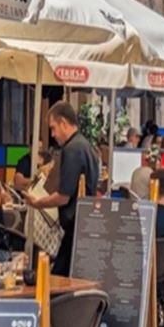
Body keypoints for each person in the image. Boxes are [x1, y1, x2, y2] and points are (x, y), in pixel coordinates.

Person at [24, 101, 100, 276]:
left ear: (64, 123)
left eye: (53, 128)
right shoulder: (87, 147)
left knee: (60, 277)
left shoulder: (71, 150)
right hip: (85, 221)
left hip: (74, 223)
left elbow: (63, 196)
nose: (53, 134)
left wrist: (38, 203)